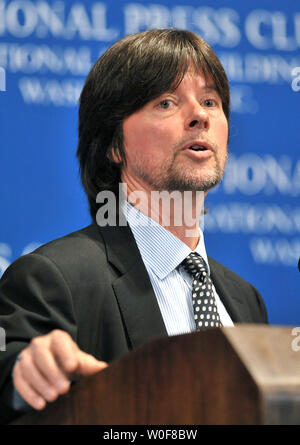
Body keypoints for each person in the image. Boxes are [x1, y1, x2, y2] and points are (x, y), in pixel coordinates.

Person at [0, 29, 268, 424]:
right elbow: (13, 379)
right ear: (114, 145)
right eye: (166, 102)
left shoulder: (246, 302)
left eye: (210, 100)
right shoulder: (53, 281)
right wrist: (25, 377)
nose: (201, 115)